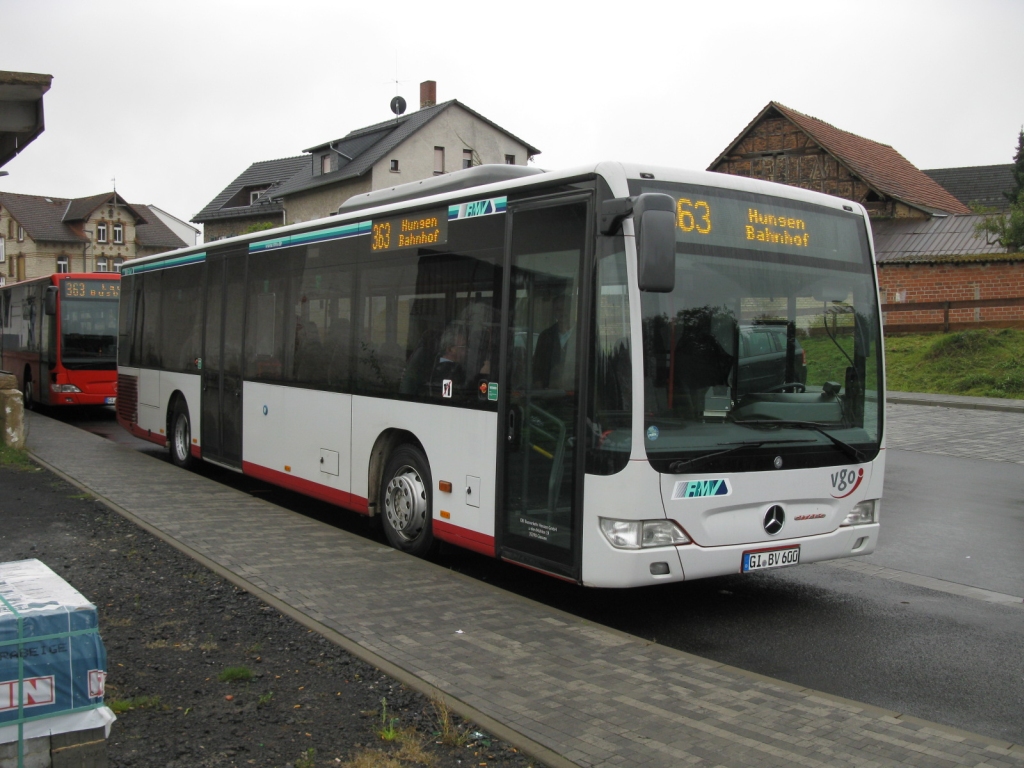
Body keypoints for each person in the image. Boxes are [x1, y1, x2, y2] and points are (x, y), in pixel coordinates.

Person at [532, 293, 575, 390]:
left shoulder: (583, 335)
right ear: (554, 312)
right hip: (549, 396)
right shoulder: (545, 336)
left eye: (565, 308)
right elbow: (537, 370)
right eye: (558, 309)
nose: (562, 313)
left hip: (576, 396)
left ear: (572, 309)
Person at [429, 324, 467, 399]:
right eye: (463, 347)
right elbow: (447, 400)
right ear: (450, 349)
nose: (466, 351)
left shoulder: (437, 365)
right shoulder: (449, 372)